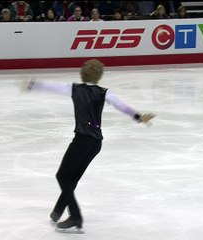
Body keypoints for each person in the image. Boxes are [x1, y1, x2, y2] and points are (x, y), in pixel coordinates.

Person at [20, 59, 155, 232]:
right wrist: (138, 117)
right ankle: (57, 211)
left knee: (62, 176)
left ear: (82, 74)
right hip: (96, 143)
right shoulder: (104, 92)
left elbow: (52, 87)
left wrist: (32, 84)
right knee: (72, 178)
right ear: (99, 77)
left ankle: (75, 216)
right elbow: (121, 106)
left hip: (82, 140)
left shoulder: (74, 88)